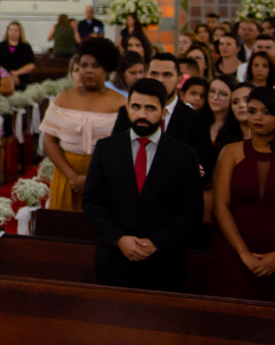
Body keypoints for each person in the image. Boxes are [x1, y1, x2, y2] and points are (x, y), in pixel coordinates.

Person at [82, 77, 203, 300]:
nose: (142, 114)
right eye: (136, 107)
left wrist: (157, 243)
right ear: (127, 108)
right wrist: (119, 238)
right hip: (114, 261)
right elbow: (92, 201)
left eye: (150, 108)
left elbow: (191, 212)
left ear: (163, 113)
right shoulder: (106, 149)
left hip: (164, 265)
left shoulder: (184, 155)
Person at [40, 37, 125, 213]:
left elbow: (124, 148)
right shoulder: (63, 98)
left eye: (95, 66)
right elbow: (48, 141)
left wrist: (92, 178)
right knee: (65, 230)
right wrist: (72, 176)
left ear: (107, 69)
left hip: (105, 176)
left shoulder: (120, 103)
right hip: (67, 173)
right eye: (83, 66)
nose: (88, 71)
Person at [212, 86, 275, 302]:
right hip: (235, 250)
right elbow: (220, 206)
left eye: (266, 112)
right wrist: (243, 253)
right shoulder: (231, 151)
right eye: (252, 110)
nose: (258, 117)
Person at [111, 53, 213, 174]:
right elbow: (115, 156)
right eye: (154, 74)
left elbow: (202, 170)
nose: (160, 80)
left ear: (179, 80)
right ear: (146, 76)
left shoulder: (197, 121)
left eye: (167, 74)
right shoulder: (126, 112)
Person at [205, 77, 244, 182]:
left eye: (223, 94)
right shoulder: (199, 122)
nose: (215, 97)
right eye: (212, 91)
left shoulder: (237, 129)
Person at [0, 21, 36, 88]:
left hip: (22, 78)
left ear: (20, 32)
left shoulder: (26, 46)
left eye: (16, 30)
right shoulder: (0, 46)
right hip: (3, 78)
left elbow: (31, 64)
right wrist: (9, 76)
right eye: (11, 30)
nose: (13, 33)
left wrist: (17, 73)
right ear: (7, 32)